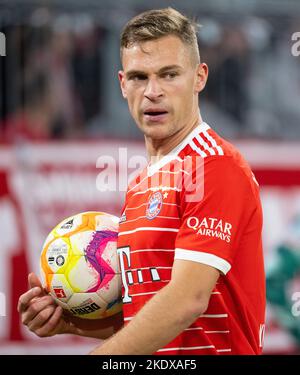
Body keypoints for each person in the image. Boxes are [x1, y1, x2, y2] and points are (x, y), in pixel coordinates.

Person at [18, 7, 266, 355]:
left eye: (169, 75)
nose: (153, 92)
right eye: (138, 77)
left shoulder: (215, 166)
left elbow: (187, 301)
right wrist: (73, 324)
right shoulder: (140, 185)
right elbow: (148, 312)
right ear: (122, 84)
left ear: (199, 77)